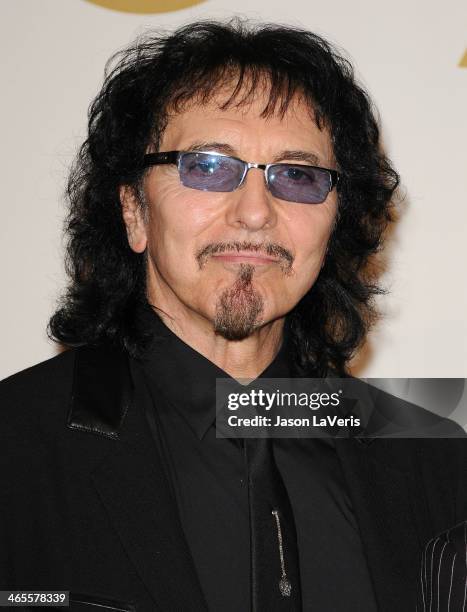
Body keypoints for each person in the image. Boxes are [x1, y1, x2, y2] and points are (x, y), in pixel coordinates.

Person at [1, 18, 465, 612]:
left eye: (297, 176)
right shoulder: (15, 449)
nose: (255, 213)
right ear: (135, 212)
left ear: (336, 224)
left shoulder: (432, 459)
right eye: (208, 166)